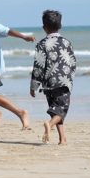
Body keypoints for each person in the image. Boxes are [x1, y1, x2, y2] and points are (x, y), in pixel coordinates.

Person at [30, 10, 76, 145]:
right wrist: (69, 79)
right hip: (63, 82)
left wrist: (34, 86)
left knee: (56, 110)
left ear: (44, 27)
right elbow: (72, 61)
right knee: (61, 110)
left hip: (48, 83)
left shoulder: (41, 44)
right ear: (60, 26)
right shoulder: (67, 43)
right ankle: (49, 125)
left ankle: (62, 139)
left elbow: (38, 66)